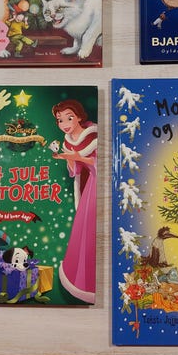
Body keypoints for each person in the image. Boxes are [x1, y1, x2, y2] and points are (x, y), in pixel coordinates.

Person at [52, 99, 97, 303]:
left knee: (92, 228)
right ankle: (78, 278)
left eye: (69, 118)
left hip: (97, 184)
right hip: (89, 187)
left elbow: (97, 162)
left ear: (79, 116)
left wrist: (77, 157)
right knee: (84, 229)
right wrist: (70, 158)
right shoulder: (68, 141)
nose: (65, 124)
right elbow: (76, 171)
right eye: (60, 120)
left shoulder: (93, 136)